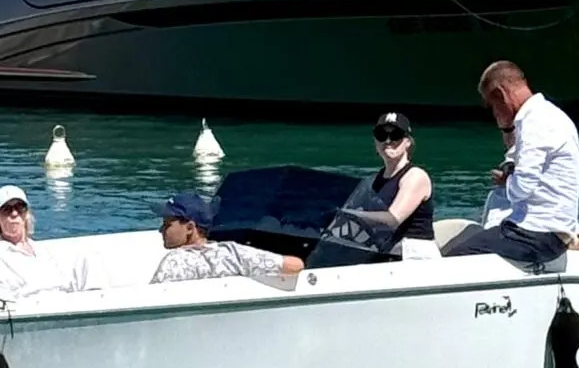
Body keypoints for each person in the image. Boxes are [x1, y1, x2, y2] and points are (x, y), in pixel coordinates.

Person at [443, 61, 579, 272]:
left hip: (535, 234)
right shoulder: (554, 115)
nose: (494, 114)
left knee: (456, 258)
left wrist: (508, 180)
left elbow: (522, 188)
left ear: (501, 95)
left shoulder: (533, 122)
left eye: (492, 106)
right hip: (551, 231)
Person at [340, 111, 438, 259]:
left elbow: (392, 220)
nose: (388, 141)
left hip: (413, 252)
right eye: (381, 135)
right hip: (386, 249)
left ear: (408, 142)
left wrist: (348, 215)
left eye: (396, 135)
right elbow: (358, 212)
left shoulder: (415, 176)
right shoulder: (373, 181)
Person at [150, 192, 304, 286]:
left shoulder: (174, 262)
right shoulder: (233, 253)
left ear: (190, 228)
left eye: (167, 224)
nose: (161, 230)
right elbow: (295, 265)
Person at [0, 184, 86, 299]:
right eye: (7, 210)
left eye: (20, 208)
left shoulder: (41, 250)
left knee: (88, 256)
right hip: (33, 306)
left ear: (26, 214)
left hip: (63, 299)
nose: (14, 214)